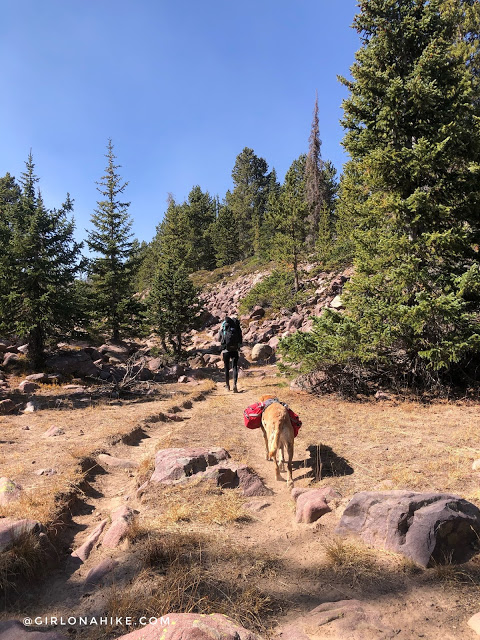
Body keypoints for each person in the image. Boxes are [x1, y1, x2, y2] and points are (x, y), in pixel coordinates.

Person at [218, 316, 242, 392]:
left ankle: (227, 386)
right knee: (234, 367)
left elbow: (219, 338)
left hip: (226, 350)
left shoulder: (224, 326)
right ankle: (235, 384)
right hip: (235, 350)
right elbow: (240, 339)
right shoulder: (236, 327)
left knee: (226, 368)